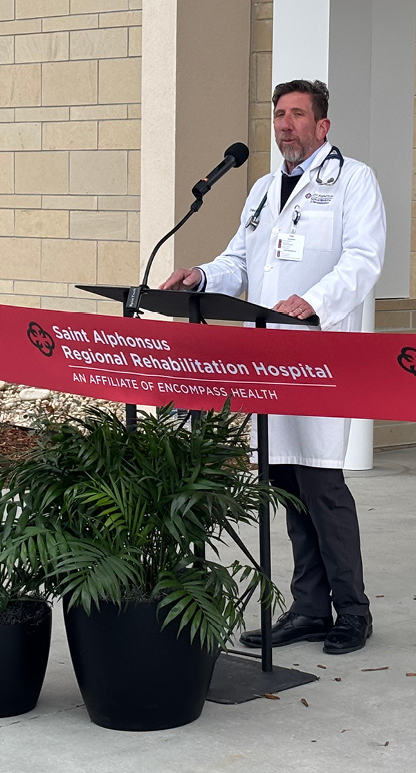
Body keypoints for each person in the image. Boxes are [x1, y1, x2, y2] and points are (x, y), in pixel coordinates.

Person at [159, 79, 386, 654]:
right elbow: (241, 260)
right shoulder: (261, 189)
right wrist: (203, 277)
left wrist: (315, 300)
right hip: (266, 360)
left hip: (319, 356)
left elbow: (363, 260)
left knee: (322, 485)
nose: (285, 125)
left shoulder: (353, 181)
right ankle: (310, 609)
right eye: (279, 115)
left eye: (298, 115)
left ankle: (352, 612)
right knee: (285, 483)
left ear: (322, 126)